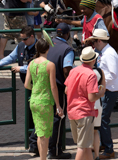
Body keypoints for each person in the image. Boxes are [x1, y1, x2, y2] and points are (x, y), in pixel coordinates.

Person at [83, 29, 118, 160]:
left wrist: (99, 82)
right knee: (102, 119)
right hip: (107, 90)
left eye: (94, 41)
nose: (93, 44)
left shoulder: (108, 54)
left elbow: (113, 73)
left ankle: (109, 149)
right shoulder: (106, 52)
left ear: (99, 41)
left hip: (109, 90)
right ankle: (105, 145)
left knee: (103, 120)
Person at [24, 38, 63, 160]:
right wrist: (58, 105)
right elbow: (53, 86)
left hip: (34, 101)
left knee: (40, 133)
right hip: (45, 102)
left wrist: (35, 88)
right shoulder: (50, 65)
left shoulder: (31, 63)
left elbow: (26, 84)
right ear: (47, 49)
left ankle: (42, 158)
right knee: (45, 135)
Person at [64, 46, 105, 160]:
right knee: (82, 147)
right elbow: (92, 97)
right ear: (94, 60)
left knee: (85, 146)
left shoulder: (73, 71)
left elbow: (66, 90)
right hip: (85, 112)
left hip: (72, 111)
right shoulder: (91, 74)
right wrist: (100, 93)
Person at [47, 23, 75, 159]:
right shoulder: (67, 49)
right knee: (59, 117)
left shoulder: (49, 44)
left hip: (45, 86)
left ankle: (39, 146)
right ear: (67, 34)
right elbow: (67, 69)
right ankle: (55, 151)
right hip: (59, 87)